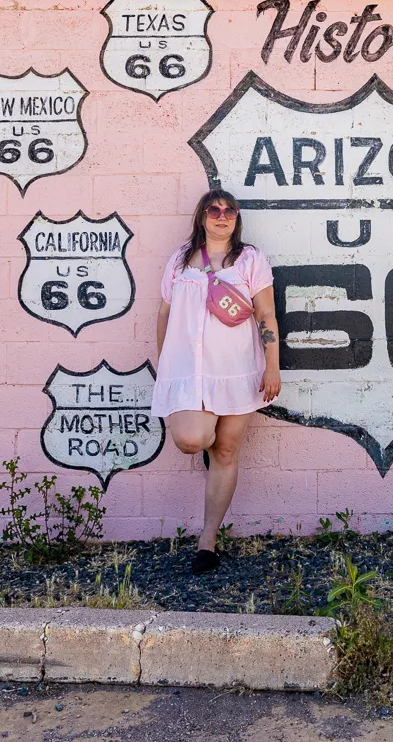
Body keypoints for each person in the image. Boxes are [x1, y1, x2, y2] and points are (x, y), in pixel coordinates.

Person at [152, 189, 281, 574]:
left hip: (238, 369)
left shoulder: (250, 259)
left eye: (229, 210)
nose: (221, 216)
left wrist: (272, 367)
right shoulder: (180, 259)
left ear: (236, 218)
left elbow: (267, 315)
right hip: (189, 373)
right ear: (202, 216)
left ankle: (208, 541)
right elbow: (164, 313)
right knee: (193, 439)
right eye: (213, 209)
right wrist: (166, 366)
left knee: (226, 452)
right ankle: (204, 436)